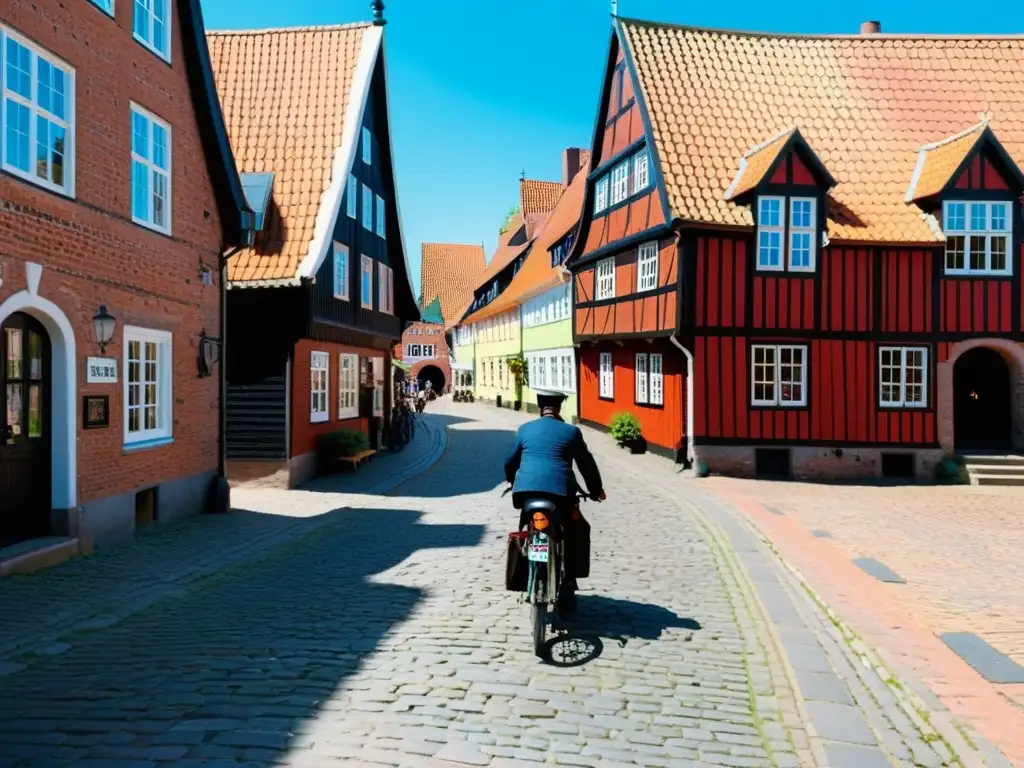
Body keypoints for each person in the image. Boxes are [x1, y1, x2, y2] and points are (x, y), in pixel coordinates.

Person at [503, 389, 605, 612]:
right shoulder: (571, 431)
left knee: (529, 526)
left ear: (541, 408)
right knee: (576, 530)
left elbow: (510, 461)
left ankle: (525, 563)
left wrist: (513, 482)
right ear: (559, 409)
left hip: (526, 493)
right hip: (560, 494)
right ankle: (569, 579)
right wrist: (596, 489)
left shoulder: (525, 429)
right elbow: (585, 463)